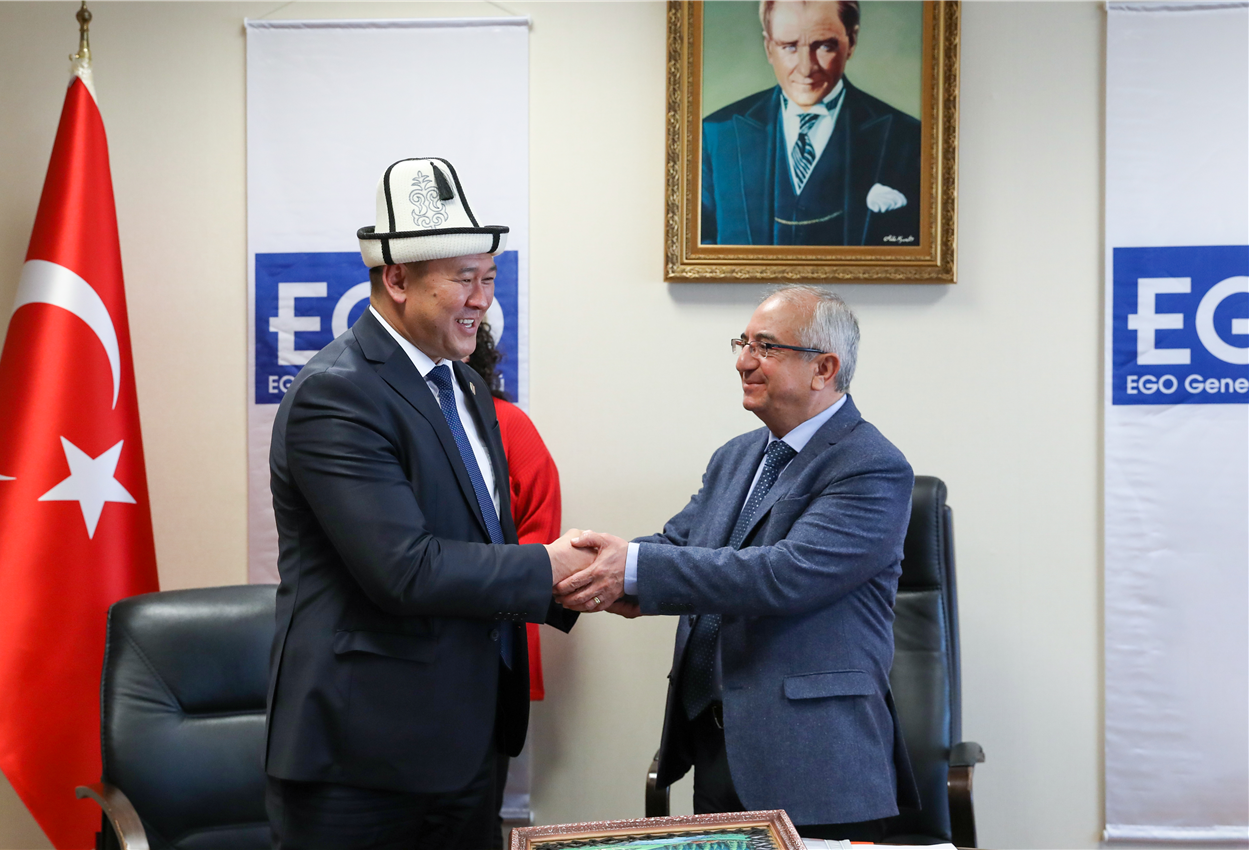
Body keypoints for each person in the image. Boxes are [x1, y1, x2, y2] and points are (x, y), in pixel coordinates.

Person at [265, 157, 587, 850]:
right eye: (464, 279)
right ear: (396, 279)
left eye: (490, 279)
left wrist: (581, 580)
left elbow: (485, 545)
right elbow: (403, 569)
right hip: (363, 760)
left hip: (468, 744)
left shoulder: (464, 386)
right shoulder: (338, 393)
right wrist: (547, 568)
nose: (482, 300)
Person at [555, 286, 919, 840]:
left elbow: (781, 576)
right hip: (716, 743)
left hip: (814, 762)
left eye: (765, 347)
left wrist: (631, 569)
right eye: (743, 343)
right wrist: (573, 564)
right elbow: (679, 545)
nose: (743, 361)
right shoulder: (737, 456)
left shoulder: (871, 467)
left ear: (824, 368)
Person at [701, 0, 922, 247]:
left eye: (825, 46)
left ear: (851, 42)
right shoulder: (716, 134)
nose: (806, 69)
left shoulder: (909, 138)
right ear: (768, 48)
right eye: (789, 47)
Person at [465, 322, 563, 847]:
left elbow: (538, 545)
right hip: (399, 665)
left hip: (488, 655)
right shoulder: (383, 424)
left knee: (478, 818)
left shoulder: (508, 426)